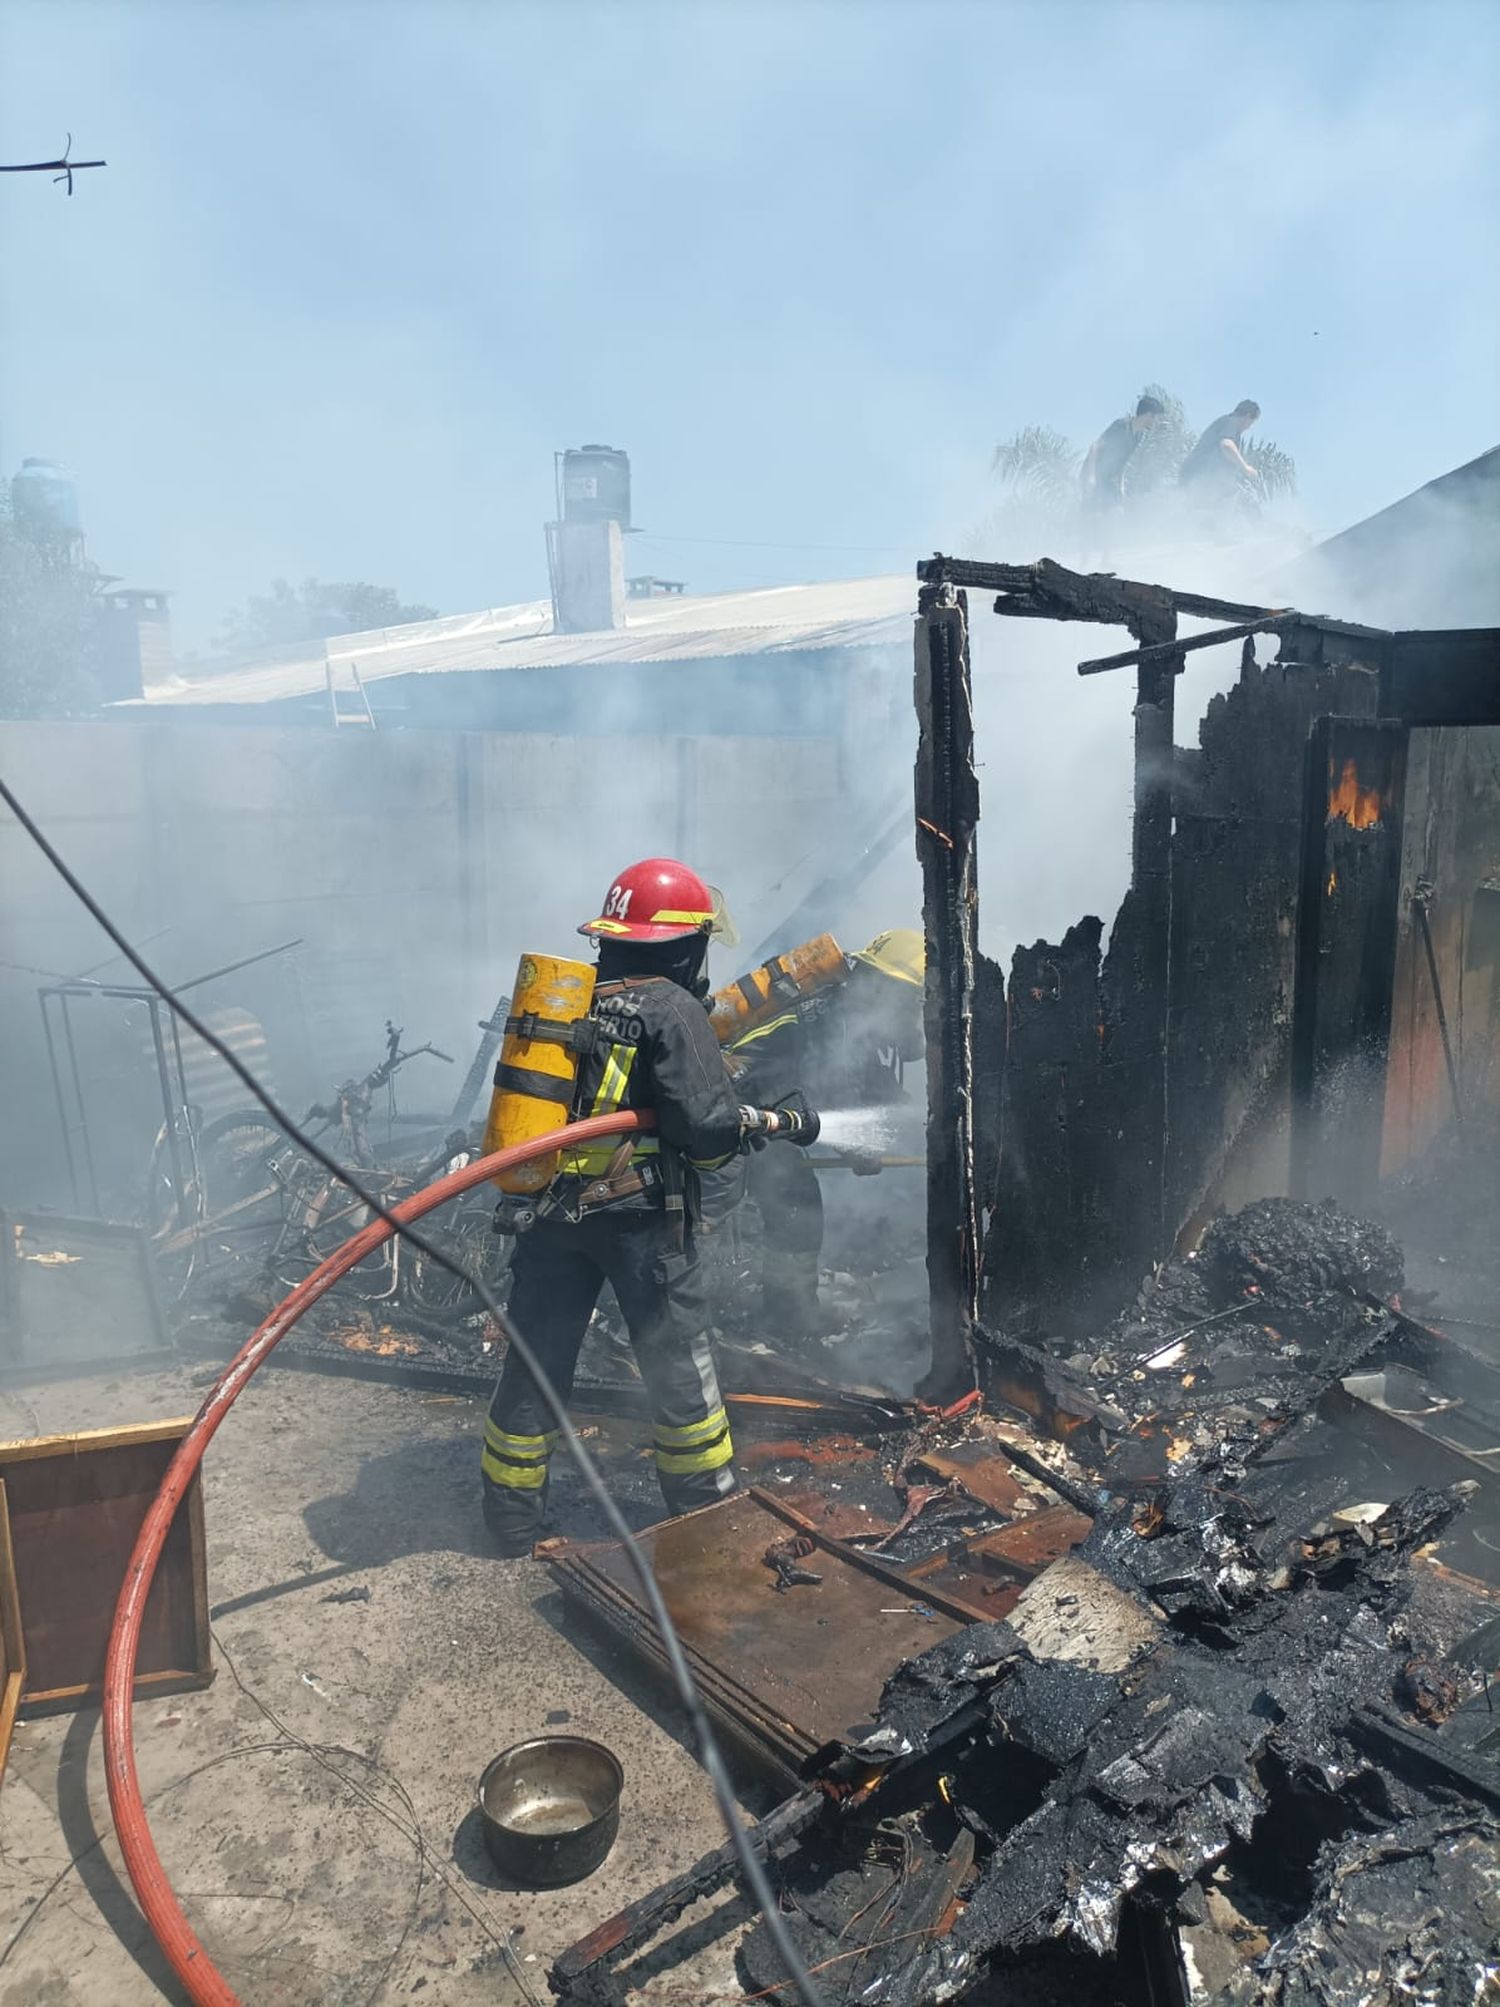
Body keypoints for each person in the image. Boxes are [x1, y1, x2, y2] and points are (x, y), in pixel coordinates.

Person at [481, 858, 811, 1556]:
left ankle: (510, 1520)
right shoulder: (670, 1006)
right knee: (677, 1366)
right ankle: (703, 1514)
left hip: (548, 1217)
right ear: (683, 944)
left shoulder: (573, 1000)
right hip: (638, 1220)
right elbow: (707, 1127)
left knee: (536, 1361)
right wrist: (744, 1140)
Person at [725, 927, 925, 1337]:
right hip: (736, 1108)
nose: (912, 1012)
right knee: (797, 1206)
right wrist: (860, 1147)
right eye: (912, 1000)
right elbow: (837, 1081)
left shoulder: (851, 1013)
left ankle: (786, 1313)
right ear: (889, 987)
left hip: (763, 1110)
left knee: (794, 1202)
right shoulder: (826, 1014)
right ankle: (788, 1320)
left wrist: (922, 1120)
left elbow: (871, 1082)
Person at [1080, 395, 1164, 512]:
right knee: (1092, 513)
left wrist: (1121, 490)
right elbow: (1095, 447)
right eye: (1157, 419)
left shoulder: (1138, 435)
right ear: (1149, 415)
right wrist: (1091, 477)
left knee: (1117, 510)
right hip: (1092, 473)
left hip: (1107, 480)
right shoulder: (1121, 426)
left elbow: (1122, 463)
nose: (1157, 423)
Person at [1179, 400, 1262, 501]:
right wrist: (1245, 468)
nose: (1249, 427)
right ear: (1247, 416)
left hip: (1201, 480)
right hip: (1197, 479)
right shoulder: (1231, 422)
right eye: (1251, 423)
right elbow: (1226, 445)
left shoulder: (1228, 424)